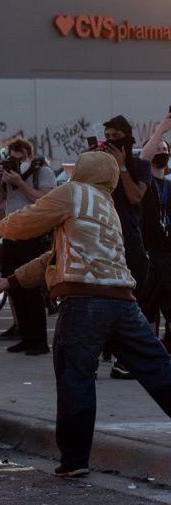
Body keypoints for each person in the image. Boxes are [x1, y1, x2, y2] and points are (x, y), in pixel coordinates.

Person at [0, 151, 171, 478]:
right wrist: (11, 280)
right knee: (158, 370)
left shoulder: (72, 193)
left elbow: (30, 219)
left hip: (84, 301)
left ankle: (74, 460)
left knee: (76, 378)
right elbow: (55, 256)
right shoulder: (106, 206)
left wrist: (0, 229)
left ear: (83, 170)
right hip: (123, 302)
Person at [0, 137, 56, 355]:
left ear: (29, 157)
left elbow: (45, 201)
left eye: (20, 158)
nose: (16, 163)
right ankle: (25, 337)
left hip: (33, 239)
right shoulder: (6, 175)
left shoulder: (41, 172)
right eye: (12, 159)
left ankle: (40, 342)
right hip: (11, 239)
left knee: (32, 292)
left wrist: (21, 183)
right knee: (14, 290)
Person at [97, 115, 151, 378]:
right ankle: (98, 353)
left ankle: (124, 357)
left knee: (131, 297)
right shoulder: (99, 165)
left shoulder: (139, 166)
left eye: (115, 137)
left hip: (128, 239)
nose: (110, 142)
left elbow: (135, 196)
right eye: (106, 137)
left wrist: (121, 167)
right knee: (99, 296)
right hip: (101, 238)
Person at [138, 113, 171, 349]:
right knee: (148, 304)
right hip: (150, 253)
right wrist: (161, 129)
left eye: (164, 147)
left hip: (169, 254)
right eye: (157, 147)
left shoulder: (169, 184)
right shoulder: (144, 183)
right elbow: (142, 158)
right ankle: (149, 349)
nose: (161, 150)